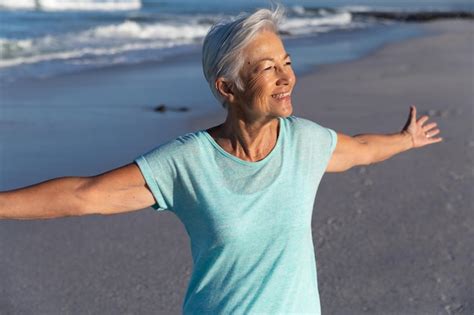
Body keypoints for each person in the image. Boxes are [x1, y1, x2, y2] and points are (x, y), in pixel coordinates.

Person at [0, 7, 442, 315]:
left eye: (286, 62)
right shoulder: (189, 163)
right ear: (228, 88)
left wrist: (405, 140)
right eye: (268, 68)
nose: (287, 76)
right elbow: (85, 195)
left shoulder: (305, 142)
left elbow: (361, 150)